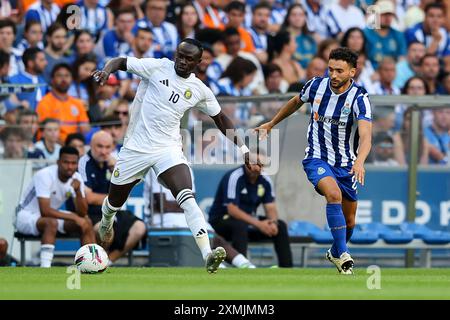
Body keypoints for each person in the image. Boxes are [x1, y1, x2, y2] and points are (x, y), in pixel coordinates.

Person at [92, 38, 252, 274]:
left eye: (189, 58)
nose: (182, 61)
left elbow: (220, 119)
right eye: (180, 55)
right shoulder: (157, 67)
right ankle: (107, 220)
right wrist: (106, 72)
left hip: (167, 149)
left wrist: (244, 149)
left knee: (187, 198)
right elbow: (120, 61)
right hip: (135, 148)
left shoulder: (200, 90)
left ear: (199, 62)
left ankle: (207, 254)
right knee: (114, 203)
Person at [255, 47, 373, 274]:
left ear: (352, 72)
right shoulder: (316, 86)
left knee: (349, 222)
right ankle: (343, 253)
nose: (334, 75)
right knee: (333, 194)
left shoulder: (359, 98)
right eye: (331, 69)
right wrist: (271, 123)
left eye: (339, 70)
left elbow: (366, 136)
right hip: (316, 158)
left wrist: (359, 162)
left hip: (347, 164)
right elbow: (295, 102)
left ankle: (335, 252)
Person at [144, 168, 256, 268]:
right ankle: (211, 260)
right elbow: (161, 205)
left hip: (183, 215)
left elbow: (192, 199)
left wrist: (185, 205)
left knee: (211, 234)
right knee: (196, 229)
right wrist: (186, 205)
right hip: (162, 218)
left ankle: (242, 263)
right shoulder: (155, 169)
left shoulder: (185, 168)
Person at [208, 148, 293, 268]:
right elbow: (232, 210)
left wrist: (272, 222)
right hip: (222, 221)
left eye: (260, 164)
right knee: (239, 226)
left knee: (281, 226)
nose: (256, 167)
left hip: (249, 222)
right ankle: (242, 266)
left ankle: (287, 270)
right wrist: (259, 224)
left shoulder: (265, 180)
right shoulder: (235, 177)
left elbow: (270, 208)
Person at [14, 146, 96, 267]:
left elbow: (83, 213)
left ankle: (91, 264)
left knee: (86, 222)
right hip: (24, 215)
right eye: (66, 162)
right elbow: (45, 211)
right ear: (58, 162)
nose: (70, 166)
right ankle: (45, 268)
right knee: (51, 222)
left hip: (50, 216)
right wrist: (73, 217)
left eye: (73, 163)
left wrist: (78, 191)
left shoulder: (77, 178)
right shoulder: (44, 175)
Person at [78, 131, 147, 263]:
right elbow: (89, 198)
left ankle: (108, 261)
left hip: (112, 210)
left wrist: (116, 169)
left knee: (139, 227)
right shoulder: (84, 162)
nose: (104, 151)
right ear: (91, 146)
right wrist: (115, 198)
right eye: (99, 146)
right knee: (104, 229)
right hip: (92, 213)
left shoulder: (114, 163)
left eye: (107, 147)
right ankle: (98, 261)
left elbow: (126, 193)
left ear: (112, 147)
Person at [36, 63, 90, 143]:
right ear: (52, 80)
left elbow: (85, 130)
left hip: (75, 145)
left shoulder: (77, 103)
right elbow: (43, 132)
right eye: (59, 76)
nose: (63, 79)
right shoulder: (45, 103)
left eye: (67, 76)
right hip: (53, 145)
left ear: (71, 79)